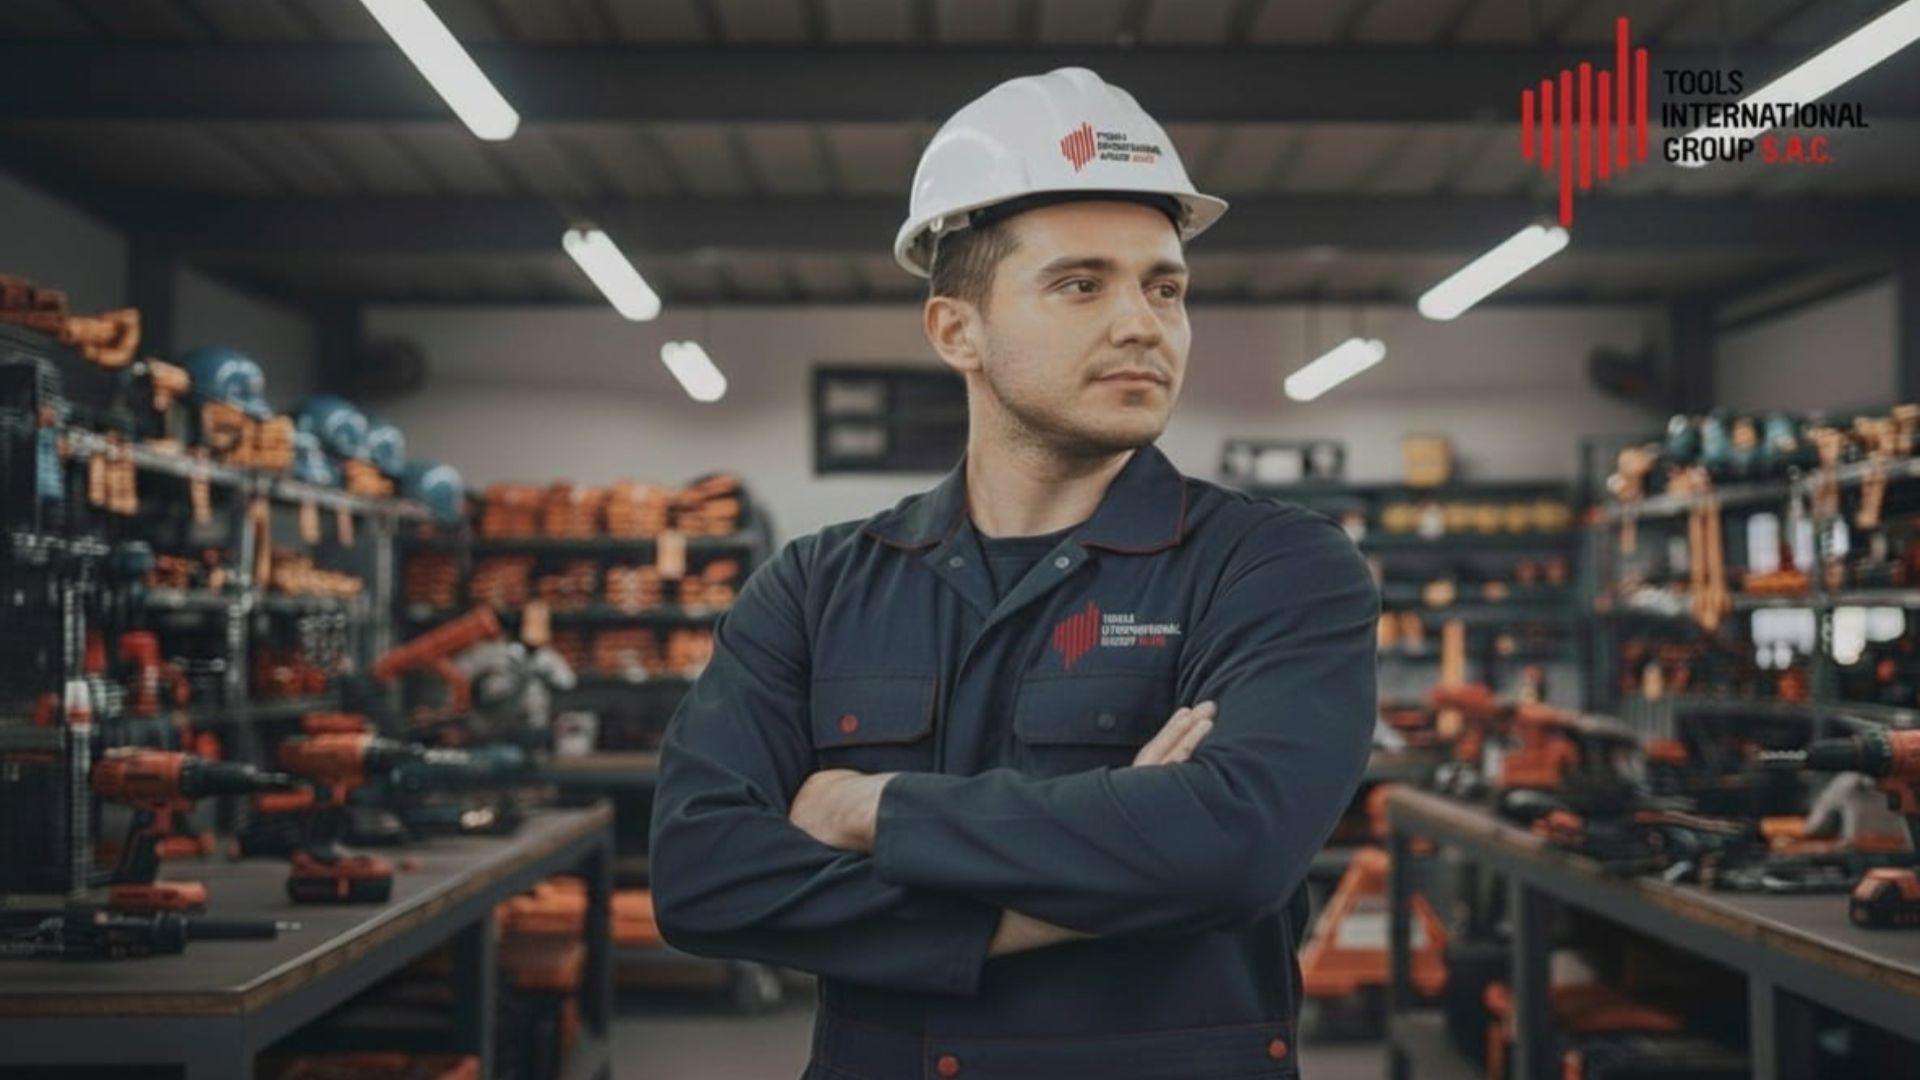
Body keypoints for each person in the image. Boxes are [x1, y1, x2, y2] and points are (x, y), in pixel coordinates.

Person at [650, 67, 1379, 1079]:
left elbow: (1239, 848)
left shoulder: (1274, 568)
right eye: (1081, 284)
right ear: (958, 331)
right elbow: (704, 878)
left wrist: (875, 807)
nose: (1142, 323)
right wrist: (1121, 863)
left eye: (1164, 286)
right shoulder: (815, 588)